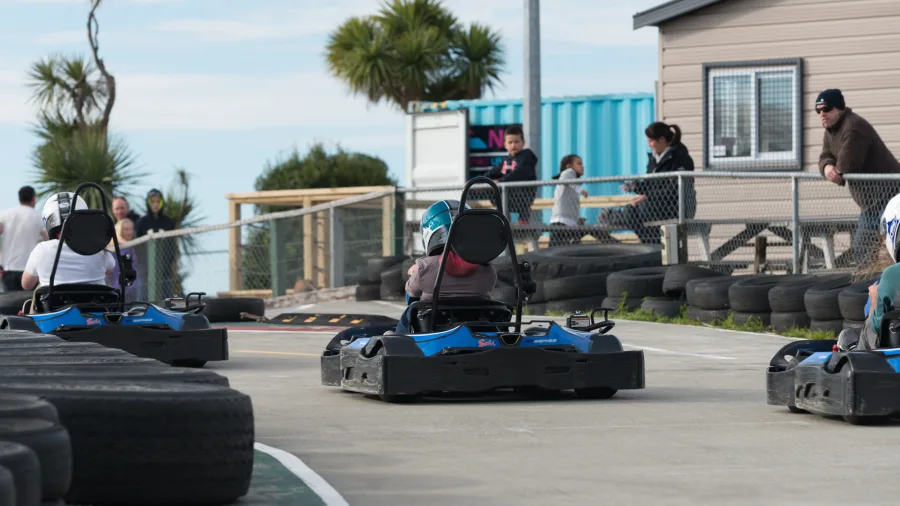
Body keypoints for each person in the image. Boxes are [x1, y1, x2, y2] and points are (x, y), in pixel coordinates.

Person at [816, 88, 900, 269]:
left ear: (839, 108)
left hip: (890, 196)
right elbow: (825, 156)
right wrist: (826, 166)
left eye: (827, 109)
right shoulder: (830, 130)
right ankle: (868, 288)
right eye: (819, 111)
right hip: (870, 204)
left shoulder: (854, 126)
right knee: (863, 249)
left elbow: (846, 168)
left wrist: (834, 169)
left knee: (892, 247)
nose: (822, 114)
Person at [394, 200, 498, 335]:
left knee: (411, 310)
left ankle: (397, 339)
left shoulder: (423, 267)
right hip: (479, 325)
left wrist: (413, 273)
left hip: (433, 327)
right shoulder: (487, 269)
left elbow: (412, 292)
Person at [598, 121, 696, 244]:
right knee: (632, 210)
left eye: (651, 141)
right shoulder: (654, 159)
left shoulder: (681, 159)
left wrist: (647, 196)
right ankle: (653, 244)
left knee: (636, 210)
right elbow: (650, 185)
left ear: (661, 139)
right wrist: (635, 186)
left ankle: (616, 218)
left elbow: (675, 189)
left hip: (678, 207)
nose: (649, 145)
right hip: (657, 206)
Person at [837, 192, 900, 351]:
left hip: (889, 365)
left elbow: (877, 331)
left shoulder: (892, 275)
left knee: (849, 339)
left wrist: (874, 301)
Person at [21, 192, 116, 291]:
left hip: (54, 305)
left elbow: (26, 284)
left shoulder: (41, 249)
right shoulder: (97, 247)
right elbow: (112, 272)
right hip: (96, 304)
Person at [486, 125, 538, 224]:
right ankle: (505, 219)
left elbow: (518, 173)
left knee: (518, 198)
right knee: (492, 190)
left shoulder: (527, 156)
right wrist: (478, 181)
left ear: (523, 143)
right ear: (505, 144)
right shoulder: (507, 160)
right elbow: (492, 173)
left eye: (516, 142)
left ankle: (523, 220)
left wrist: (500, 182)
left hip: (523, 195)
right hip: (508, 195)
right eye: (510, 142)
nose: (513, 145)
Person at [0, 186, 48, 291]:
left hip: (9, 270)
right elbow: (48, 240)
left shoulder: (5, 214)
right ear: (33, 198)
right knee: (29, 305)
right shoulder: (39, 217)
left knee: (10, 306)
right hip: (31, 272)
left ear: (19, 198)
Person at [135, 188, 176, 300]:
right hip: (145, 269)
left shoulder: (168, 222)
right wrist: (142, 264)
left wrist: (171, 262)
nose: (155, 205)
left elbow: (172, 245)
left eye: (158, 201)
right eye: (152, 202)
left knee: (166, 298)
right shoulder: (142, 222)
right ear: (148, 203)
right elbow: (137, 246)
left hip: (165, 269)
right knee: (142, 297)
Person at [549, 154, 588, 247]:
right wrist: (580, 189)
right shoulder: (568, 173)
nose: (582, 166)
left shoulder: (572, 184)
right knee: (556, 252)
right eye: (579, 163)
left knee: (568, 251)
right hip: (561, 223)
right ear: (569, 166)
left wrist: (576, 218)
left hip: (570, 223)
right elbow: (565, 178)